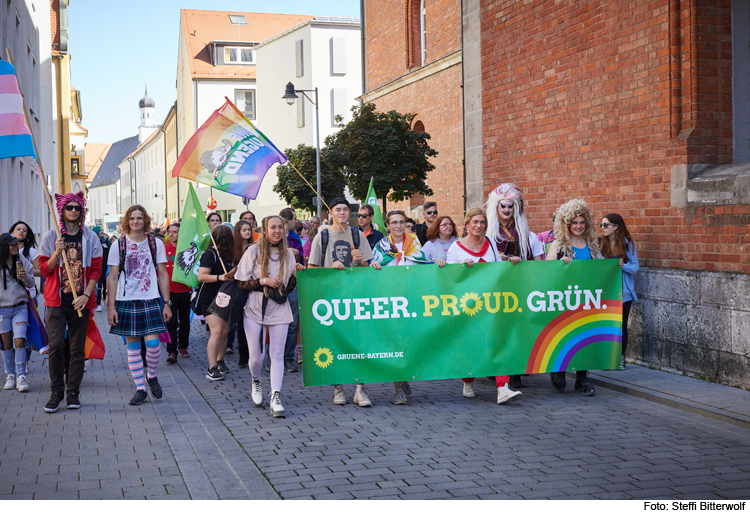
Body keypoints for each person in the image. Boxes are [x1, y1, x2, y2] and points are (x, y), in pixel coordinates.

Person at [445, 208, 522, 405]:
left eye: (482, 222)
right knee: (470, 343)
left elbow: (497, 270)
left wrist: (510, 263)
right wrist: (462, 268)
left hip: (491, 304)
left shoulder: (490, 244)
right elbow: (450, 280)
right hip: (467, 306)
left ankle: (502, 387)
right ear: (467, 224)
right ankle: (468, 380)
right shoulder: (455, 248)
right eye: (475, 222)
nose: (479, 226)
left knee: (497, 341)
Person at [308, 198, 377, 407]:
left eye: (346, 209)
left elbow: (366, 267)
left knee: (359, 342)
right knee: (335, 343)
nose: (342, 213)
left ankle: (360, 389)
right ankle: (338, 388)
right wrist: (330, 269)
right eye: (338, 209)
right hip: (331, 298)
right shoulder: (323, 236)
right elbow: (312, 269)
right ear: (331, 212)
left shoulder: (358, 235)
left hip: (355, 296)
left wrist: (359, 262)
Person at [39, 191, 103, 412]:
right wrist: (57, 252)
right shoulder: (50, 237)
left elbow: (96, 270)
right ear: (62, 211)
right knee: (56, 346)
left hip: (81, 301)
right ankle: (56, 392)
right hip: (56, 301)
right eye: (69, 207)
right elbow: (44, 270)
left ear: (81, 211)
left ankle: (73, 392)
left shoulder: (90, 237)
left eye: (77, 207)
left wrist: (87, 295)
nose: (73, 210)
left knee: (77, 349)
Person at [236, 216, 303, 418]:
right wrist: (263, 280)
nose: (277, 231)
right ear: (264, 230)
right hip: (255, 307)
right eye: (272, 227)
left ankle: (276, 396)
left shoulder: (289, 255)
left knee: (277, 354)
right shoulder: (253, 251)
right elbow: (241, 283)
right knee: (257, 356)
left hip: (279, 308)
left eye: (280, 227)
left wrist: (295, 277)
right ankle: (256, 380)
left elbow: (286, 289)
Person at [107, 205, 171, 405]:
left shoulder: (155, 243)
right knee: (133, 348)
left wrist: (167, 303)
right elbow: (113, 277)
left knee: (152, 344)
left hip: (150, 298)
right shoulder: (118, 245)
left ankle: (151, 376)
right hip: (126, 300)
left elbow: (162, 274)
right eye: (132, 218)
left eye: (139, 218)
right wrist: (111, 306)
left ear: (146, 221)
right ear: (127, 221)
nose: (136, 222)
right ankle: (140, 389)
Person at [486, 183, 545, 389]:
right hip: (497, 288)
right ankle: (503, 369)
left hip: (521, 287)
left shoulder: (528, 235)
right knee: (500, 329)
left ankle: (517, 367)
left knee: (519, 328)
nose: (507, 210)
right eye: (503, 206)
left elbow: (538, 263)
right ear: (496, 207)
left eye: (511, 206)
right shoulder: (487, 234)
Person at [371, 210, 428, 404]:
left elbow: (422, 263)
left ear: (405, 224)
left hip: (411, 297)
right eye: (393, 223)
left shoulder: (414, 242)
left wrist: (436, 263)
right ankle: (398, 389)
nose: (397, 226)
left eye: (401, 222)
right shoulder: (381, 245)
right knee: (395, 342)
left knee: (411, 341)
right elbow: (374, 266)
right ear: (387, 225)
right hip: (391, 299)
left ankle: (404, 376)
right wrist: (374, 265)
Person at [545, 199, 600, 396]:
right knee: (563, 335)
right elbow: (546, 270)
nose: (578, 226)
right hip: (564, 299)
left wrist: (614, 268)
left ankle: (582, 378)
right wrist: (560, 263)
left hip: (587, 299)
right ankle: (558, 369)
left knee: (585, 337)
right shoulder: (559, 244)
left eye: (582, 222)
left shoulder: (592, 245)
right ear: (567, 224)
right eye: (574, 222)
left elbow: (599, 270)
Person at [600, 213, 639, 370]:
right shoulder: (599, 244)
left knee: (620, 325)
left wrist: (624, 266)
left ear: (615, 227)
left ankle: (621, 358)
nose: (602, 228)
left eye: (605, 225)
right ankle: (608, 358)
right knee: (606, 325)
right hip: (606, 291)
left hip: (624, 293)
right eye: (601, 225)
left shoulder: (628, 244)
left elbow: (635, 266)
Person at [197, 225, 235, 381]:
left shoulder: (228, 255)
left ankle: (220, 361)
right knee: (217, 331)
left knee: (225, 331)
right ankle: (211, 368)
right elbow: (202, 276)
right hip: (209, 298)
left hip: (225, 297)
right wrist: (221, 277)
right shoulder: (210, 254)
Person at [0, 233, 35, 392]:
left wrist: (26, 277)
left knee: (19, 340)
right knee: (6, 343)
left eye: (17, 244)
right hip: (2, 309)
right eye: (12, 244)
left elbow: (31, 282)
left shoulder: (21, 260)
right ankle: (10, 375)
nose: (16, 246)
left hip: (20, 306)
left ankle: (21, 376)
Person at [164, 223, 192, 363]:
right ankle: (172, 351)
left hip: (185, 291)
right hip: (169, 292)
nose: (172, 234)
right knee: (171, 321)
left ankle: (183, 347)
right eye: (170, 231)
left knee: (185, 321)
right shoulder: (164, 249)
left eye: (175, 232)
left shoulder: (188, 250)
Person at [279, 208, 302, 372]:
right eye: (294, 218)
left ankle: (288, 358)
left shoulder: (295, 237)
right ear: (288, 220)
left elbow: (300, 256)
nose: (297, 221)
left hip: (292, 284)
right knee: (274, 323)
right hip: (275, 284)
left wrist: (296, 254)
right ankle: (273, 358)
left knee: (293, 324)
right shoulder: (275, 235)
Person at [232, 220, 255, 368]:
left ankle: (254, 354)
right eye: (244, 230)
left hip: (254, 287)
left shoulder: (255, 247)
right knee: (241, 324)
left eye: (249, 229)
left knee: (254, 322)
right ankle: (243, 355)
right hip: (239, 288)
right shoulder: (235, 249)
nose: (247, 232)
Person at [9, 221, 40, 299]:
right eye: (18, 229)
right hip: (12, 296)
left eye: (24, 230)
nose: (21, 231)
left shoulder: (31, 251)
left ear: (27, 234)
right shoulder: (6, 251)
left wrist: (27, 272)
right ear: (12, 232)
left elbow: (40, 271)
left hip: (29, 294)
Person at [92, 226, 112, 312]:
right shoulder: (93, 242)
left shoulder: (107, 241)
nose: (102, 232)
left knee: (106, 284)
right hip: (97, 266)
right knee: (99, 285)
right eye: (100, 230)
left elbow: (111, 252)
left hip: (106, 266)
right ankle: (98, 304)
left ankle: (106, 301)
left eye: (102, 230)